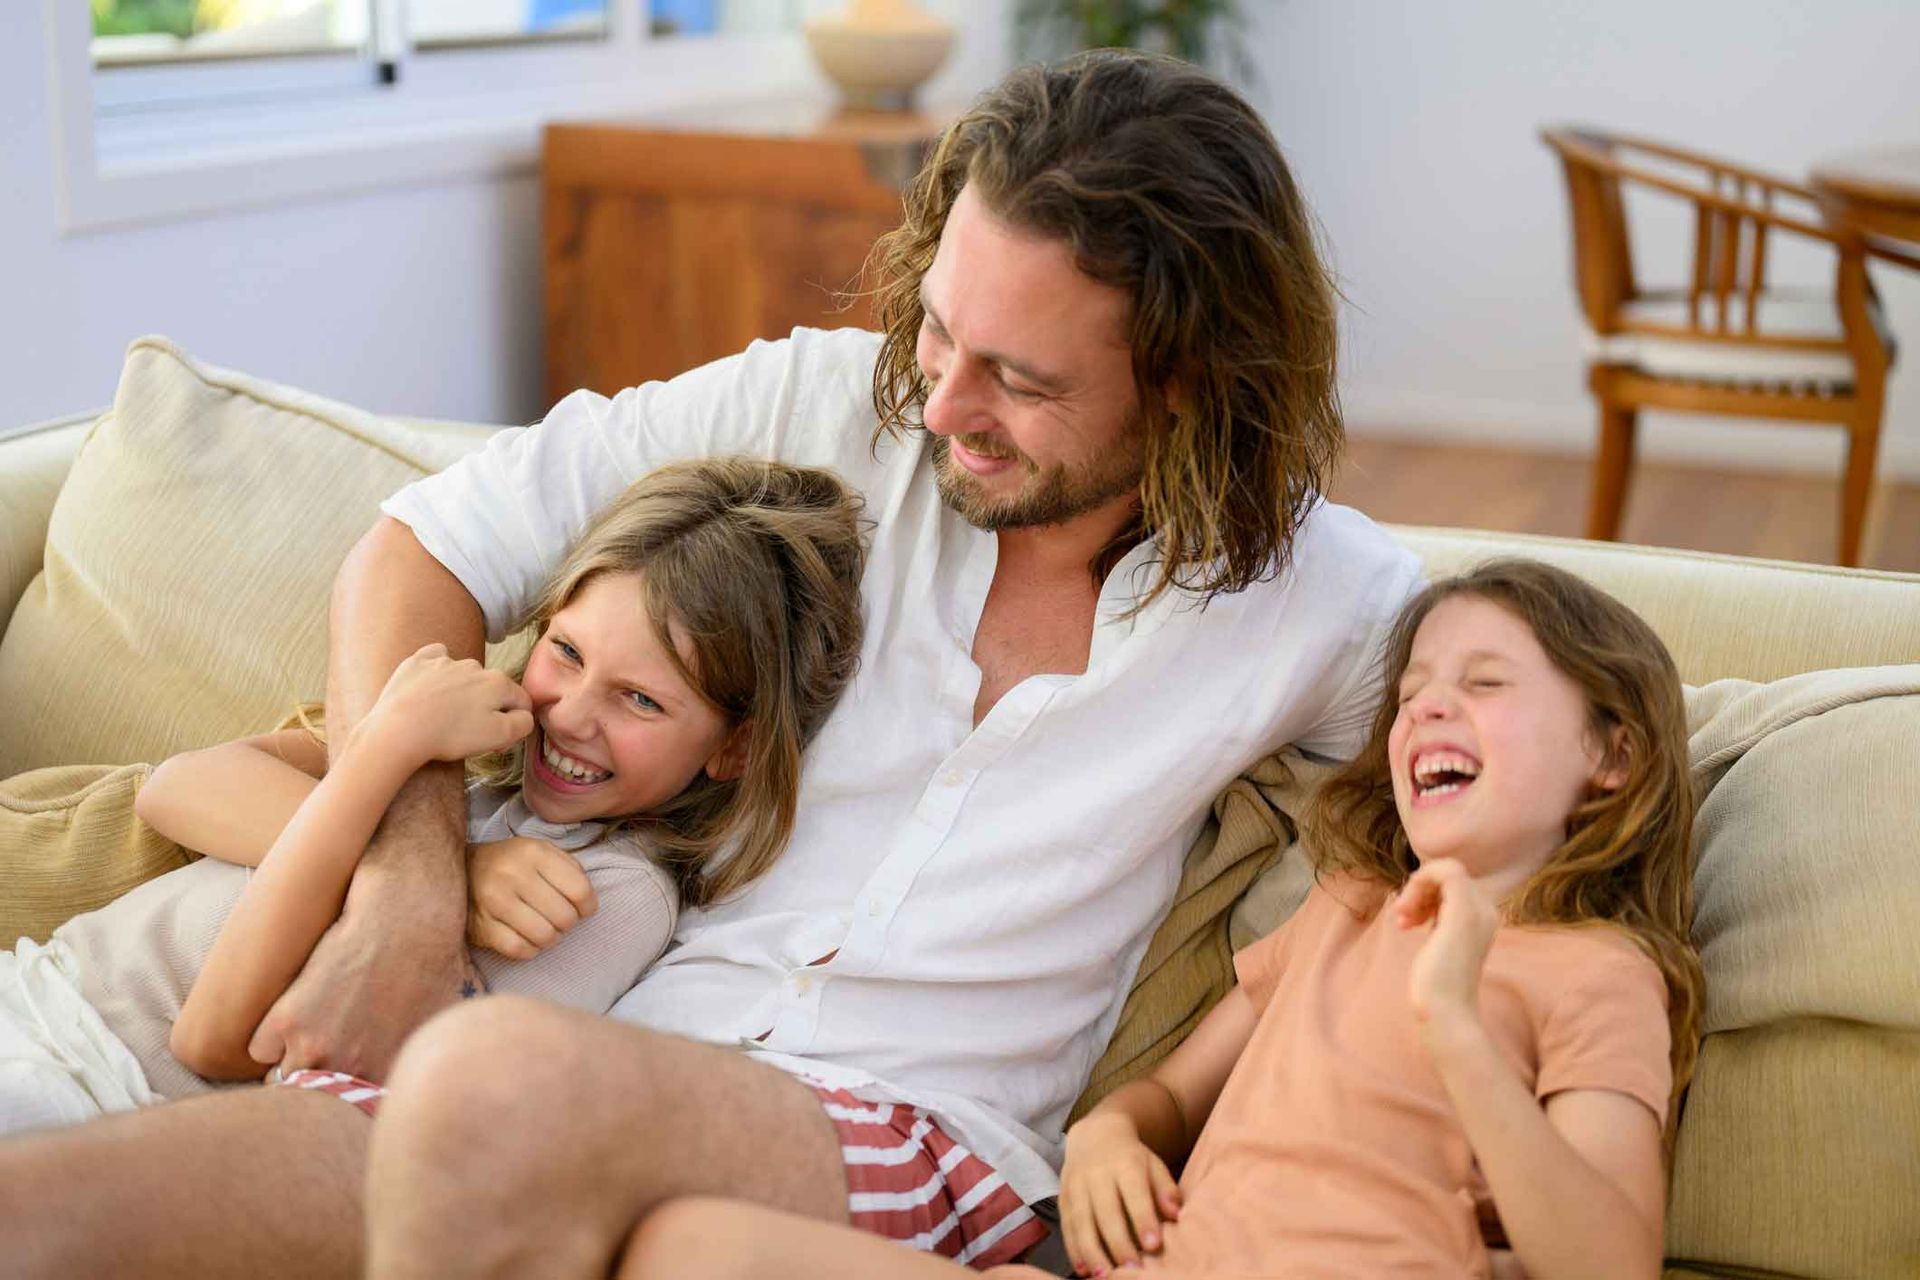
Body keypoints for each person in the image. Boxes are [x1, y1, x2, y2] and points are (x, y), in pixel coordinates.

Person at [0, 50, 1424, 1279]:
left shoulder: (1326, 601)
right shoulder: (816, 401)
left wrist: (1160, 1112)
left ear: (1189, 380)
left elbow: (1546, 787)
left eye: (1022, 380)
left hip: (901, 1136)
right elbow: (419, 552)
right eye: (937, 329)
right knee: (42, 1217)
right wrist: (413, 879)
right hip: (596, 1077)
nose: (941, 402)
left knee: (481, 1080)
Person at [611, 558, 1705, 1279]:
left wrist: (1457, 1022)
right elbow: (1174, 1094)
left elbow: (1609, 1261)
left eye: (1486, 682)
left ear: (1613, 754)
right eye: (1415, 686)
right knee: (687, 1243)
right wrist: (1104, 1137)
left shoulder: (1598, 971)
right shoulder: (1349, 906)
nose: (1427, 705)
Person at [0, 457, 866, 1135]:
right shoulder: (472, 747)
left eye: (641, 699)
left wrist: (382, 764)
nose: (571, 713)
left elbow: (229, 1042)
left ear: (738, 747)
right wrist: (446, 866)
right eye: (565, 651)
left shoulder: (605, 897)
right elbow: (181, 789)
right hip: (35, 994)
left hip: (98, 1089)